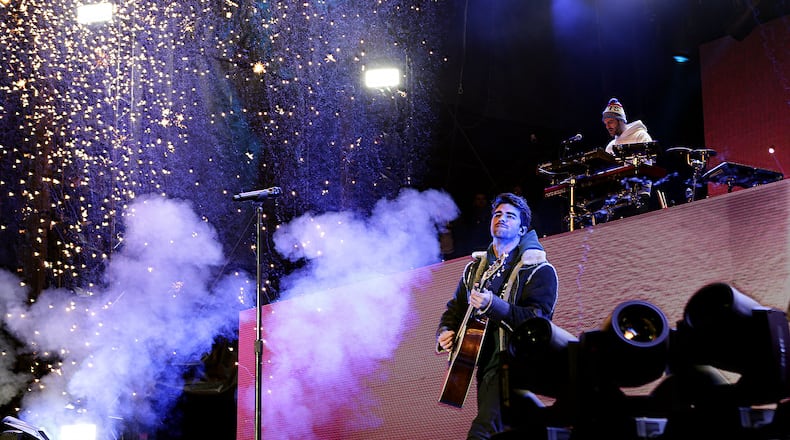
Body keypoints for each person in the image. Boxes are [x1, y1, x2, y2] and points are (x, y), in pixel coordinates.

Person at [436, 192, 559, 439]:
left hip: (516, 363)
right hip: (485, 366)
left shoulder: (539, 269)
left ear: (522, 229)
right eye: (498, 214)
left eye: (510, 216)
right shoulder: (474, 269)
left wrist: (494, 305)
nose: (502, 218)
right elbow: (455, 308)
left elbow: (538, 322)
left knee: (481, 433)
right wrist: (445, 331)